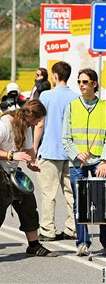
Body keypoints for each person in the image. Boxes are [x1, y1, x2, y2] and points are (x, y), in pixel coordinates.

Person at [0, 100, 58, 257]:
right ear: (30, 116)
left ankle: (34, 245)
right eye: (38, 119)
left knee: (28, 201)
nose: (39, 123)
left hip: (11, 170)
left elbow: (29, 149)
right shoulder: (4, 123)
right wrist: (10, 155)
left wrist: (32, 162)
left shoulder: (26, 127)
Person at [62, 68, 106, 256]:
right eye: (79, 82)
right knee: (80, 202)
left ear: (94, 84)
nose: (81, 85)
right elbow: (65, 138)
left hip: (99, 162)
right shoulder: (71, 106)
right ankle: (82, 242)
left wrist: (104, 160)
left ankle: (105, 243)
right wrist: (77, 154)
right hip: (77, 162)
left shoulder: (104, 107)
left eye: (85, 82)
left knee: (102, 201)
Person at [33, 61, 79, 242]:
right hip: (71, 153)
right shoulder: (76, 97)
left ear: (54, 75)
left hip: (50, 150)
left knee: (48, 194)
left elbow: (40, 123)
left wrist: (34, 148)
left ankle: (48, 230)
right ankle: (73, 228)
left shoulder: (46, 95)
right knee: (71, 194)